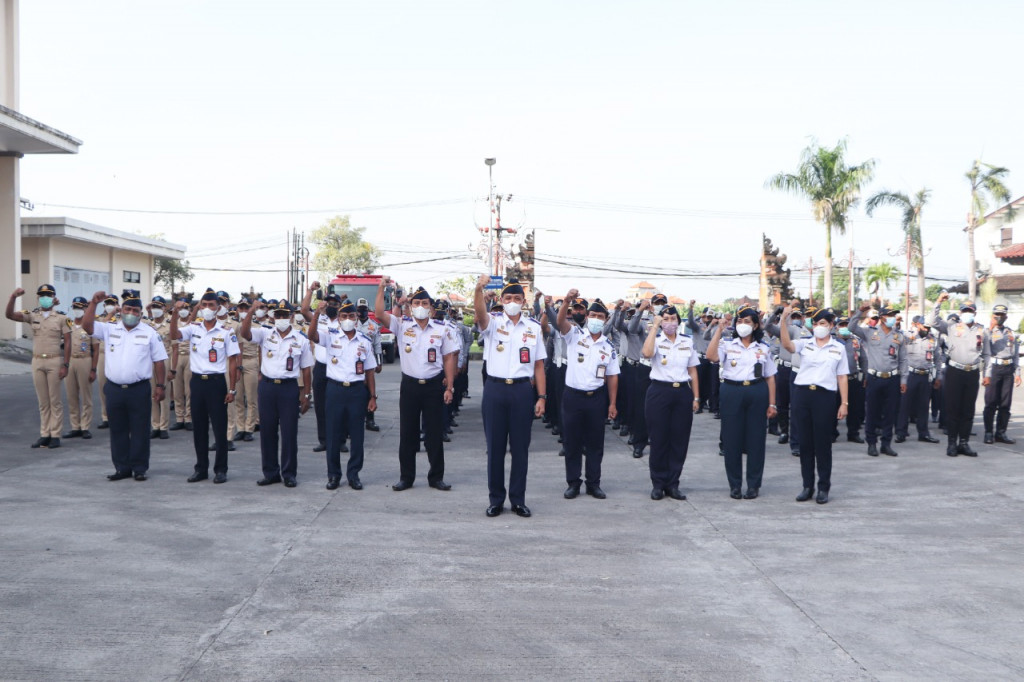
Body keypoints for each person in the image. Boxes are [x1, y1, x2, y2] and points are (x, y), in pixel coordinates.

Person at [473, 275, 547, 518]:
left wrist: (542, 396)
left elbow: (538, 365)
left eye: (517, 298)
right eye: (508, 298)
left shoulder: (533, 328)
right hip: (495, 389)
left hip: (522, 391)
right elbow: (480, 315)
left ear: (523, 301)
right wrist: (478, 289)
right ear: (502, 301)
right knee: (494, 448)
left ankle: (518, 499)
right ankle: (496, 499)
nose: (513, 301)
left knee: (520, 449)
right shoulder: (493, 323)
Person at [375, 280, 457, 491]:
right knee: (408, 433)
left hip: (433, 386)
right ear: (411, 306)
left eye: (424, 303)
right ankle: (406, 477)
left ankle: (436, 477)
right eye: (416, 302)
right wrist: (381, 289)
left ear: (431, 306)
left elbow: (449, 357)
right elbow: (380, 315)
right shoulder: (402, 325)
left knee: (434, 434)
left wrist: (450, 387)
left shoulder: (442, 328)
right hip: (410, 386)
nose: (421, 306)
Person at [82, 290, 168, 481]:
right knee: (118, 430)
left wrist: (160, 386)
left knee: (140, 430)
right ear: (121, 310)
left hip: (139, 389)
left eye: (135, 310)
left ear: (140, 313)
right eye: (128, 309)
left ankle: (139, 468)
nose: (131, 313)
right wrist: (94, 303)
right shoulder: (110, 329)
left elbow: (159, 361)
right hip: (114, 389)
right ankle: (122, 468)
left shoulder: (150, 333)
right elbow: (87, 326)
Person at [240, 299, 313, 487]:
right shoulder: (265, 333)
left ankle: (289, 474)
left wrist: (306, 395)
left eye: (284, 315)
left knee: (289, 432)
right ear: (274, 316)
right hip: (267, 387)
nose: (280, 318)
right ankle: (270, 472)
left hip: (288, 388)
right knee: (268, 431)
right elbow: (245, 333)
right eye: (277, 315)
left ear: (290, 316)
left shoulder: (301, 339)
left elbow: (306, 369)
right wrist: (251, 311)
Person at [707, 306, 777, 500]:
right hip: (732, 391)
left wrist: (772, 404)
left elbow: (770, 376)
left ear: (755, 325)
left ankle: (754, 485)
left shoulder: (763, 347)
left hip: (757, 390)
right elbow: (711, 356)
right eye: (739, 321)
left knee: (756, 440)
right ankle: (735, 485)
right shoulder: (727, 344)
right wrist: (719, 329)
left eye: (747, 322)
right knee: (732, 440)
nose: (742, 325)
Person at [170, 289, 240, 483]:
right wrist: (175, 313)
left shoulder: (226, 331)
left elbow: (233, 360)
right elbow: (174, 334)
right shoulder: (194, 328)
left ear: (218, 308)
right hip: (197, 382)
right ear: (199, 307)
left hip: (217, 382)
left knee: (219, 428)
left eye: (211, 305)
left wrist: (232, 389)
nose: (208, 309)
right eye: (205, 305)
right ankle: (201, 468)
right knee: (199, 428)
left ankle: (221, 469)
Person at [780, 306, 848, 504]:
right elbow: (787, 345)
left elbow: (842, 376)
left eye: (823, 324)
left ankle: (823, 487)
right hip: (802, 394)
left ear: (831, 326)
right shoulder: (805, 344)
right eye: (816, 324)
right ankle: (807, 486)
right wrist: (784, 320)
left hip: (825, 397)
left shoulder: (838, 348)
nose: (819, 327)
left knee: (823, 444)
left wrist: (844, 403)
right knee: (805, 443)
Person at [308, 298, 378, 490]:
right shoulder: (330, 336)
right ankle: (333, 475)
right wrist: (316, 314)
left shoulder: (365, 341)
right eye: (344, 316)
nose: (348, 319)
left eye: (351, 316)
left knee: (357, 435)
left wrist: (372, 396)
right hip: (335, 390)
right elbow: (312, 335)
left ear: (356, 318)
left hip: (357, 391)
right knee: (332, 434)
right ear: (338, 318)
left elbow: (370, 370)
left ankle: (354, 474)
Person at [555, 293, 619, 500]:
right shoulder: (574, 335)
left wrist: (613, 403)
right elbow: (559, 322)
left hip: (596, 398)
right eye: (592, 315)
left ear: (606, 320)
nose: (595, 319)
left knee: (595, 444)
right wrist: (566, 302)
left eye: (600, 316)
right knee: (572, 442)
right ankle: (573, 483)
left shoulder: (608, 347)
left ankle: (594, 483)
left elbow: (612, 376)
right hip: (573, 397)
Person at [641, 303, 699, 501]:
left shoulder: (686, 341)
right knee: (659, 439)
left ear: (678, 321)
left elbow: (693, 370)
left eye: (673, 319)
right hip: (659, 391)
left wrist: (696, 397)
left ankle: (673, 484)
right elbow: (647, 354)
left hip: (682, 392)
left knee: (679, 440)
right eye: (666, 319)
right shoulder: (656, 340)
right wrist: (655, 327)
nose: (670, 323)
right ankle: (658, 484)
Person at [6, 284, 71, 449]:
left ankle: (55, 435)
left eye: (48, 295)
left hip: (54, 360)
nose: (45, 298)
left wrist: (66, 364)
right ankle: (45, 434)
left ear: (54, 297)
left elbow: (68, 342)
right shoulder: (33, 315)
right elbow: (10, 315)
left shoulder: (62, 318)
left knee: (54, 400)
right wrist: (13, 297)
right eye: (42, 295)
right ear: (38, 298)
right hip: (37, 361)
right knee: (43, 401)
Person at [931, 293, 988, 457]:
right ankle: (951, 444)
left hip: (972, 372)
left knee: (968, 410)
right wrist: (938, 302)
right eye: (964, 311)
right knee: (953, 409)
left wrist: (987, 373)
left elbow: (987, 354)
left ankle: (964, 443)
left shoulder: (982, 330)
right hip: (955, 371)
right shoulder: (952, 327)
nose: (967, 313)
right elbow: (932, 321)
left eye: (970, 310)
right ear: (961, 313)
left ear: (975, 313)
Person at [849, 303, 907, 457]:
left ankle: (886, 444)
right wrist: (860, 311)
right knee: (872, 412)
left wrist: (904, 380)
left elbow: (903, 360)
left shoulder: (899, 336)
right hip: (874, 378)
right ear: (882, 317)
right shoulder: (870, 333)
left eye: (894, 315)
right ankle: (872, 443)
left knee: (890, 413)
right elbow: (851, 327)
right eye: (890, 315)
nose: (893, 318)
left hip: (893, 378)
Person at [895, 316, 941, 444]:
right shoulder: (908, 336)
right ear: (917, 325)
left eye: (928, 327)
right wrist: (897, 322)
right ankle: (901, 432)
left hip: (925, 375)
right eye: (923, 326)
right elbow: (895, 334)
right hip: (910, 374)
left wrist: (938, 376)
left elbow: (938, 359)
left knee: (924, 406)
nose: (926, 329)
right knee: (905, 405)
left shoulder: (933, 339)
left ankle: (923, 433)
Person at [300, 282, 332, 454]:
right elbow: (304, 310)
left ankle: (339, 440)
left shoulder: (344, 319)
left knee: (336, 406)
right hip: (321, 367)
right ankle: (324, 440)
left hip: (337, 369)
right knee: (320, 405)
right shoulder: (319, 318)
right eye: (327, 303)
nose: (329, 306)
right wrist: (311, 291)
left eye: (333, 304)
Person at [982, 304, 1021, 444]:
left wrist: (1018, 372)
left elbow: (1015, 354)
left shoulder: (1011, 333)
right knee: (991, 403)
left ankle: (1001, 432)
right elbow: (982, 348)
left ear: (1006, 316)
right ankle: (988, 433)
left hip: (1008, 369)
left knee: (1005, 404)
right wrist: (991, 328)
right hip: (993, 369)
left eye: (1001, 315)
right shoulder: (987, 332)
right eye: (996, 314)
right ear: (993, 315)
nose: (999, 317)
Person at [63, 296, 98, 440]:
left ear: (85, 308)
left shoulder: (90, 326)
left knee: (86, 396)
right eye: (75, 307)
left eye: (80, 307)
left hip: (85, 360)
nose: (77, 310)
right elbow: (64, 345)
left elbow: (96, 349)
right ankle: (75, 426)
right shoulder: (68, 324)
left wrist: (93, 369)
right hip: (71, 361)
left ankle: (85, 427)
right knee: (71, 396)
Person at [230, 298, 260, 443]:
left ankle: (249, 428)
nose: (242, 311)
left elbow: (260, 349)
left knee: (251, 398)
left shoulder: (256, 326)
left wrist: (260, 369)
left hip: (251, 360)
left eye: (245, 308)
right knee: (238, 397)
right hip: (236, 361)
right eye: (240, 309)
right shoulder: (233, 325)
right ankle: (240, 428)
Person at [145, 296, 173, 440]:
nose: (156, 310)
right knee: (152, 395)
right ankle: (155, 425)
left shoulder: (169, 324)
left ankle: (163, 427)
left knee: (164, 395)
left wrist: (172, 369)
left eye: (159, 307)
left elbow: (174, 347)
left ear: (164, 308)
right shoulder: (147, 325)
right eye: (154, 307)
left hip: (165, 360)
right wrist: (149, 308)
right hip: (150, 361)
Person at [834, 317, 866, 443]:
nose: (844, 327)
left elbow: (863, 359)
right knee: (834, 407)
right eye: (841, 325)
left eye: (846, 325)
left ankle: (853, 433)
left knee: (855, 408)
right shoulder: (832, 341)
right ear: (836, 327)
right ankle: (832, 433)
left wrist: (865, 374)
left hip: (853, 378)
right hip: (836, 380)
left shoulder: (856, 341)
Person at [355, 297, 384, 432]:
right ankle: (353, 422)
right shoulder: (351, 323)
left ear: (368, 310)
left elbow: (377, 345)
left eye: (364, 309)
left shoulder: (373, 325)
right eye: (360, 309)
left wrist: (379, 362)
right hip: (352, 362)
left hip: (368, 362)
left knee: (369, 390)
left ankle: (370, 420)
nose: (362, 312)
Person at [168, 297, 195, 432]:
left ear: (189, 310)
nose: (183, 311)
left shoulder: (194, 323)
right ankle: (179, 418)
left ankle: (188, 417)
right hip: (177, 356)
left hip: (190, 356)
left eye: (186, 308)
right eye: (181, 308)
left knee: (189, 390)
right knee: (177, 388)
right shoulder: (173, 322)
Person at [94, 293, 120, 429]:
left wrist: (117, 313)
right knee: (103, 386)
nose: (111, 306)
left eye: (113, 304)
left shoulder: (122, 318)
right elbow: (101, 328)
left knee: (116, 386)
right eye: (108, 304)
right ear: (104, 306)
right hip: (103, 354)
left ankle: (117, 415)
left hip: (117, 354)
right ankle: (106, 416)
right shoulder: (100, 319)